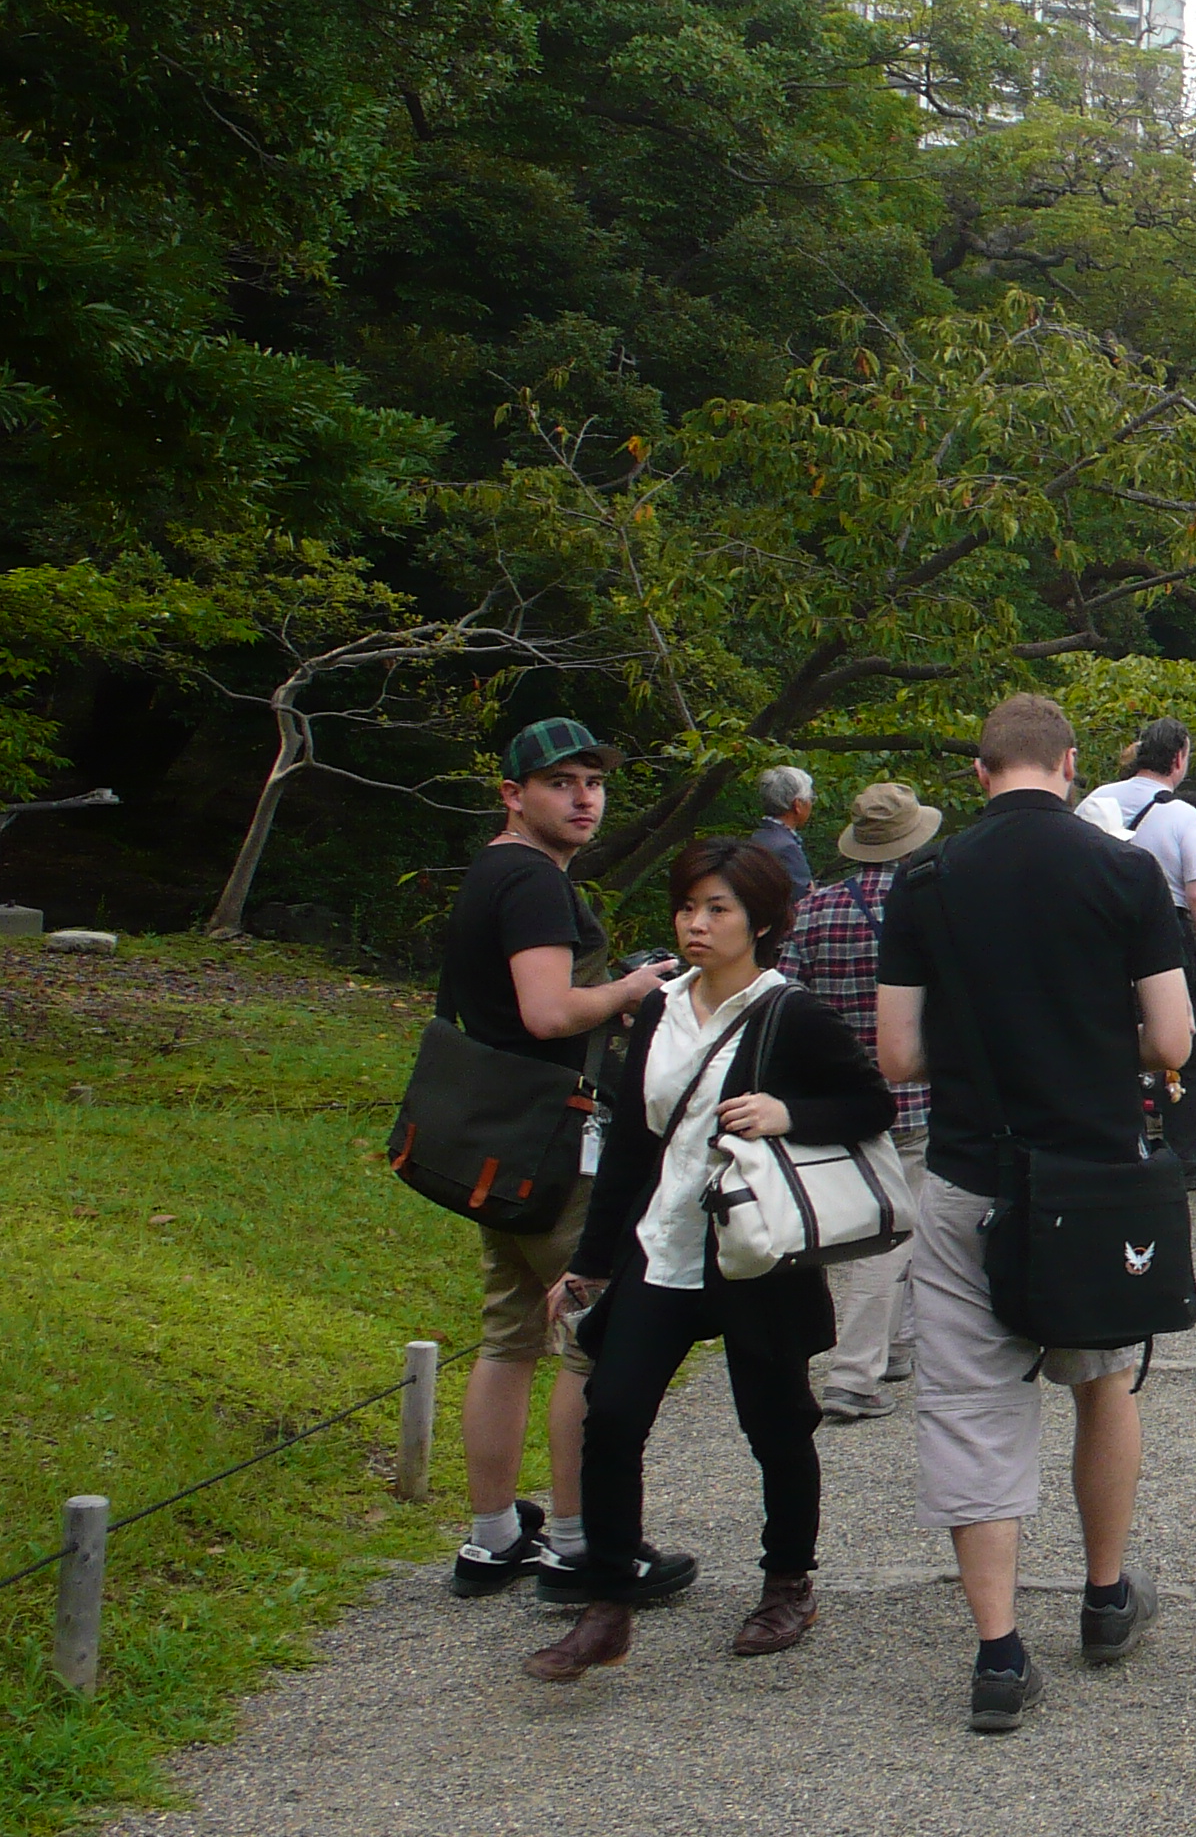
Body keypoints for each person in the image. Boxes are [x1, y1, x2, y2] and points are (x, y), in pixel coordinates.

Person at [872, 692, 1192, 1735]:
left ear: (979, 773)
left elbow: (899, 1056)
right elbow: (1173, 1040)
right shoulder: (1124, 873)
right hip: (1091, 1181)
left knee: (971, 1408)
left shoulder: (925, 879)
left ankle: (1000, 1656)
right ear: (1069, 765)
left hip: (973, 1175)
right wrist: (1093, 1042)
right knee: (1101, 1381)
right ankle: (1104, 1599)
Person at [527, 838, 892, 1681]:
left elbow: (871, 1103)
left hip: (753, 1255)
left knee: (776, 1424)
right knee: (612, 1416)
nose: (696, 924)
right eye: (688, 907)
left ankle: (787, 1581)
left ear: (760, 921)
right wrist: (589, 1263)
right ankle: (607, 1604)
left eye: (717, 909)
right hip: (662, 1248)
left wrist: (788, 1113)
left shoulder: (789, 1012)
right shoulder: (660, 1006)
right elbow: (630, 1143)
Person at [437, 717, 674, 1600]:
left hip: (493, 1140)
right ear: (513, 794)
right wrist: (631, 988)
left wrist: (600, 1001)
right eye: (561, 783)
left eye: (594, 783)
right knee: (589, 1341)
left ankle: (492, 1537)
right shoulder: (534, 880)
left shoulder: (492, 872)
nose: (584, 799)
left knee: (508, 1337)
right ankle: (580, 1545)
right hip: (554, 1145)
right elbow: (544, 1012)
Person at [786, 780, 943, 1424]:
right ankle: (854, 1374)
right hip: (912, 1093)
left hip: (836, 1095)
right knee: (895, 1234)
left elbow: (785, 1000)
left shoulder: (813, 908)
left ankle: (897, 1346)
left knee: (869, 1223)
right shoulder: (930, 905)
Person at [1079, 720, 1196, 1191]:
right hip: (1166, 930)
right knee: (1186, 1045)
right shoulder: (1182, 814)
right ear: (1179, 758)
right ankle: (1185, 1156)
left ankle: (1118, 1144)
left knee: (1111, 1035)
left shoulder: (1095, 801)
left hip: (1099, 934)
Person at [751, 766, 818, 896]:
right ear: (798, 805)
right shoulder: (786, 848)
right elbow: (804, 900)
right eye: (811, 799)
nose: (811, 804)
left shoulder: (758, 837)